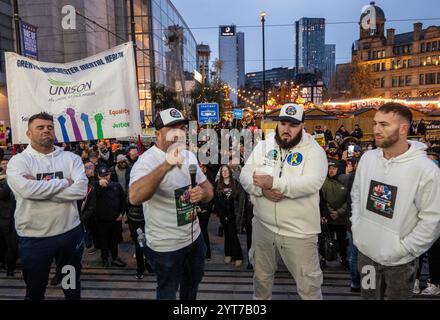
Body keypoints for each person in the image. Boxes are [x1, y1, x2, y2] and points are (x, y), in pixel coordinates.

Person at [351, 103, 440, 300]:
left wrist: (405, 249)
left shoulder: (426, 170)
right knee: (368, 297)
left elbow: (432, 220)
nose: (376, 130)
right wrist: (358, 230)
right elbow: (357, 195)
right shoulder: (367, 158)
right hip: (366, 255)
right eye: (375, 124)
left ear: (403, 129)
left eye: (384, 124)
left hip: (400, 263)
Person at [240, 103, 328, 300]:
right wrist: (262, 191)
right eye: (283, 123)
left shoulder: (314, 151)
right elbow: (245, 175)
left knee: (309, 287)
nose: (286, 129)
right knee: (261, 280)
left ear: (303, 125)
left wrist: (275, 184)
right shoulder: (264, 145)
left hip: (299, 233)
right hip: (263, 227)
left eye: (293, 125)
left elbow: (312, 183)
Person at [129, 107, 213, 300]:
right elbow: (134, 196)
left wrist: (202, 193)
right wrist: (166, 165)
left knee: (192, 287)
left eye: (182, 128)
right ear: (157, 134)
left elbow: (208, 189)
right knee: (167, 293)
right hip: (166, 247)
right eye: (172, 129)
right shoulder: (146, 161)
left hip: (195, 239)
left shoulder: (189, 155)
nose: (179, 134)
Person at [6, 112, 87, 300]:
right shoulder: (19, 162)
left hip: (70, 235)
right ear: (29, 133)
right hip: (35, 239)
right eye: (40, 127)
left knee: (71, 287)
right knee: (35, 290)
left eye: (49, 127)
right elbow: (26, 191)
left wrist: (39, 189)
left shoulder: (70, 158)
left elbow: (81, 190)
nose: (46, 131)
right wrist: (65, 182)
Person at [95, 166, 126, 267]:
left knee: (114, 241)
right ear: (98, 176)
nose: (105, 177)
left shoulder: (116, 185)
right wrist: (97, 184)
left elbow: (123, 200)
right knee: (103, 241)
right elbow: (86, 189)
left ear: (110, 174)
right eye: (102, 176)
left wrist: (122, 213)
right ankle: (104, 259)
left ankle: (115, 258)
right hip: (102, 220)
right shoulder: (95, 186)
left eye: (106, 175)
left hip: (116, 219)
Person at [320, 160, 349, 269]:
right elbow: (321, 199)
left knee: (342, 241)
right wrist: (328, 212)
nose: (331, 170)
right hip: (328, 218)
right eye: (330, 168)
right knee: (325, 239)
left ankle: (343, 259)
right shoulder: (323, 182)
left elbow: (350, 199)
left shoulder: (346, 181)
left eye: (334, 168)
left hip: (342, 219)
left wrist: (339, 212)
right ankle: (323, 258)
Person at [214, 165, 243, 267]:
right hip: (223, 215)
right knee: (227, 234)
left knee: (233, 235)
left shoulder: (235, 183)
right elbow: (216, 201)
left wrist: (237, 214)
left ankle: (238, 257)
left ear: (230, 172)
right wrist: (221, 214)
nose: (224, 173)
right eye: (223, 171)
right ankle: (228, 254)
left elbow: (240, 200)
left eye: (226, 171)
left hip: (233, 215)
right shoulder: (218, 184)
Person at [0, 158, 18, 277]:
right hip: (5, 218)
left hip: (12, 218)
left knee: (12, 246)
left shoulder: (11, 180)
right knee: (5, 245)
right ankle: (6, 266)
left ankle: (9, 269)